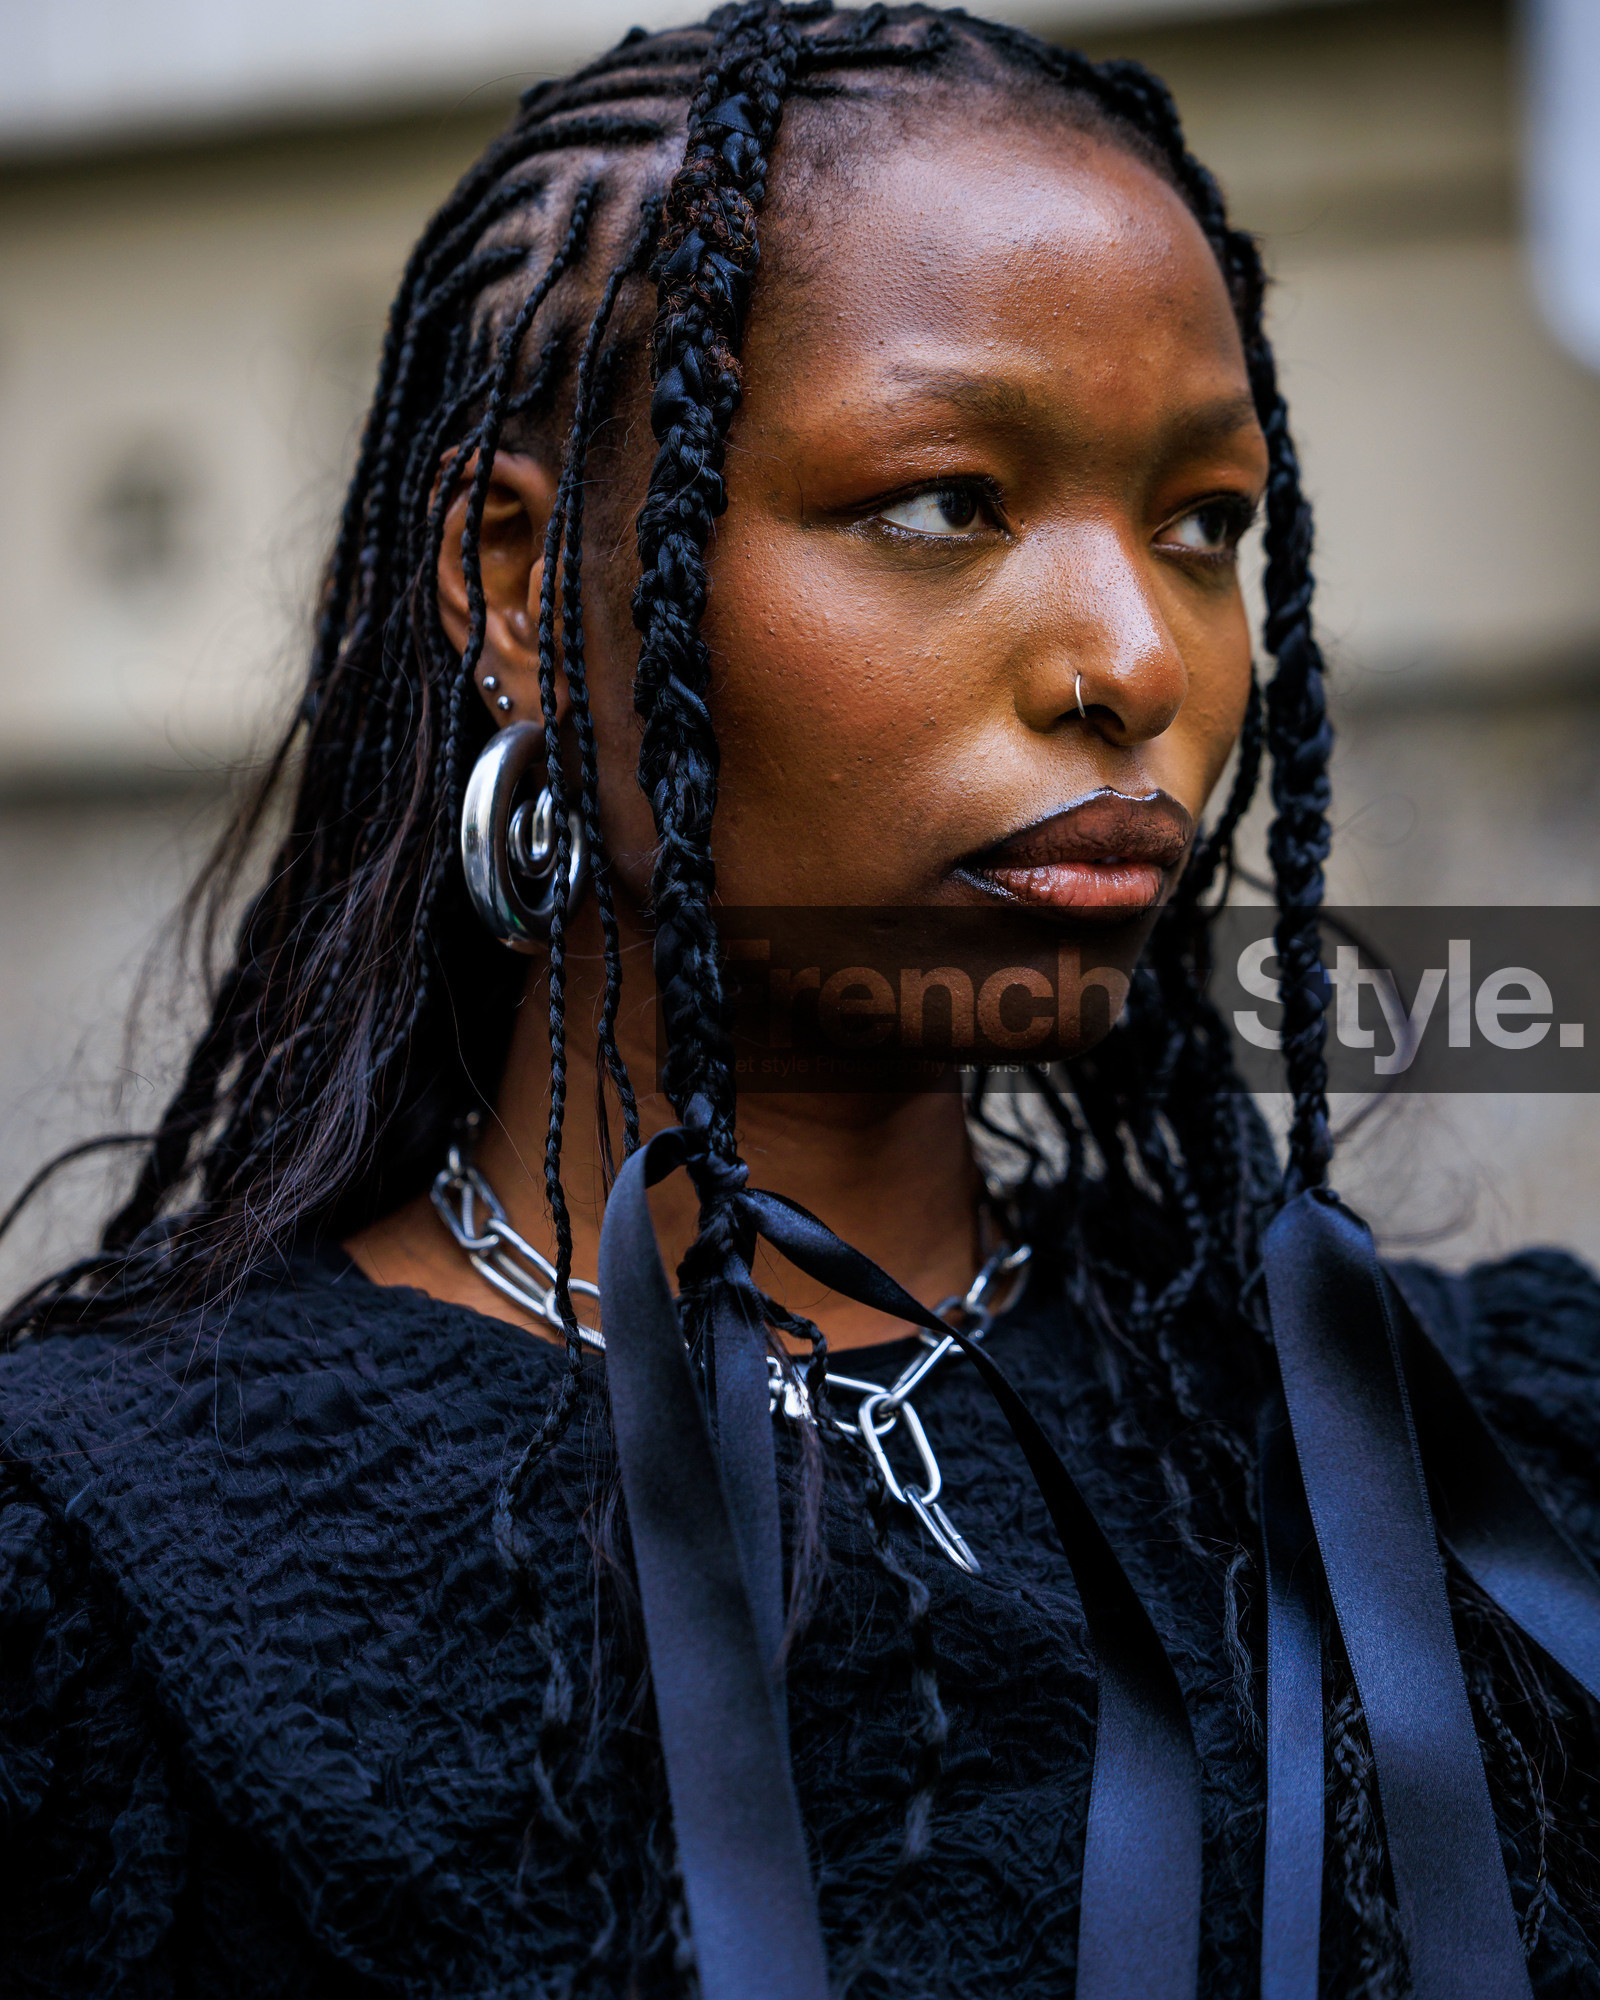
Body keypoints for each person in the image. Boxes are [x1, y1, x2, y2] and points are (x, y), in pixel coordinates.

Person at [2, 6, 1597, 1996]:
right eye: (942, 501)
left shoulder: (1450, 1444)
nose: (1131, 655)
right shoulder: (115, 1569)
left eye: (1202, 527)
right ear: (516, 589)